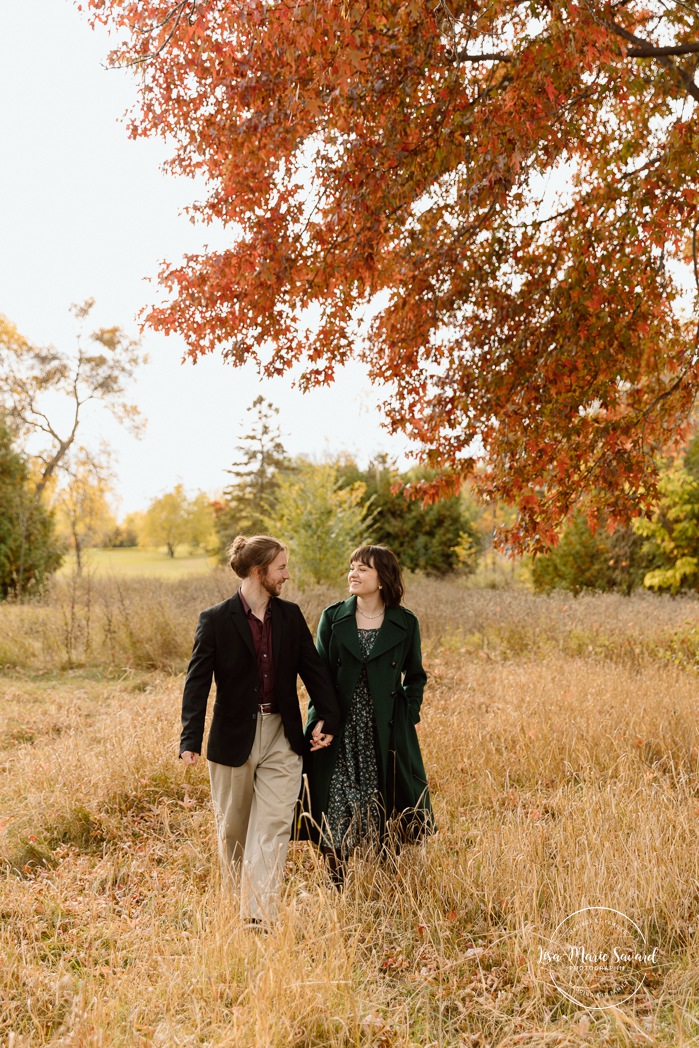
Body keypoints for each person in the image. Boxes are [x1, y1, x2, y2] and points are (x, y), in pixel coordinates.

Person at [179, 534, 341, 926]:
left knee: (272, 826)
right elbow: (197, 682)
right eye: (281, 567)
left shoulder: (291, 616)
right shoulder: (215, 620)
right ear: (259, 571)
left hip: (282, 736)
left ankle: (258, 919)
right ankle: (238, 909)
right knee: (233, 831)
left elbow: (314, 670)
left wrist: (329, 718)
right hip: (233, 737)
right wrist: (190, 739)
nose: (287, 575)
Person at [302, 544, 435, 882]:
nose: (353, 573)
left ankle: (382, 884)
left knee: (383, 802)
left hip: (386, 728)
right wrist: (319, 718)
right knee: (335, 800)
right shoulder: (333, 617)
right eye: (352, 566)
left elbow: (416, 675)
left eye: (363, 568)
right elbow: (320, 677)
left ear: (382, 577)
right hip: (339, 726)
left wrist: (409, 714)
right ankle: (337, 884)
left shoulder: (405, 623)